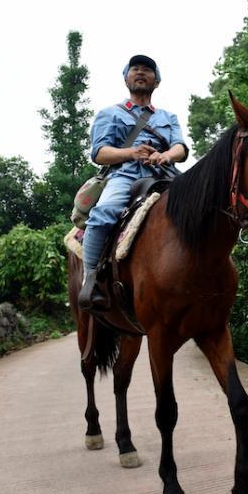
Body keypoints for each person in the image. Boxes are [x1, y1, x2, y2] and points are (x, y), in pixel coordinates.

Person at [78, 54, 189, 310]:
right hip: (125, 176)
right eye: (135, 68)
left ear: (156, 82)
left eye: (147, 70)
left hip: (165, 176)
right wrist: (131, 153)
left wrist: (166, 155)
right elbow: (99, 153)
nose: (141, 72)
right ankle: (91, 279)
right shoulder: (110, 114)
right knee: (103, 213)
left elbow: (180, 148)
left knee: (203, 206)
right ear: (126, 78)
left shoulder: (167, 117)